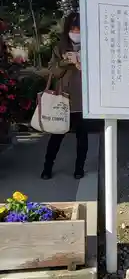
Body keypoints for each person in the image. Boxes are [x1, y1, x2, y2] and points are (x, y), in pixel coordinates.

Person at [41, 12, 88, 180]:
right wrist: (65, 61)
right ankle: (47, 167)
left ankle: (79, 168)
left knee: (82, 137)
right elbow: (53, 71)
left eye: (79, 28)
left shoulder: (92, 45)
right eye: (73, 28)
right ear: (68, 29)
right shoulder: (60, 47)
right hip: (63, 99)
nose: (76, 32)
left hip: (84, 101)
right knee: (56, 135)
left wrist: (82, 62)